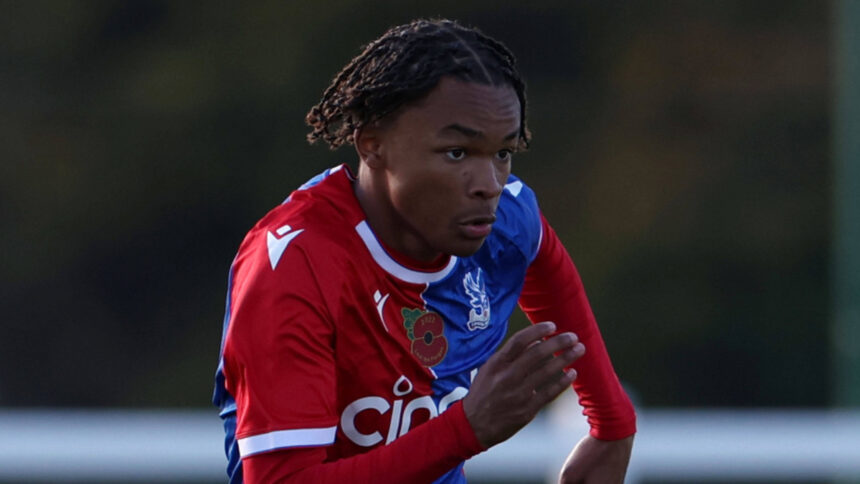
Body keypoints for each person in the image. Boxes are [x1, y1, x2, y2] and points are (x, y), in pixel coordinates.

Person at [213, 18, 636, 484]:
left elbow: (543, 260)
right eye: (457, 152)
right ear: (373, 144)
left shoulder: (503, 220)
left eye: (503, 152)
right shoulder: (295, 266)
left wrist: (612, 425)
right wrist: (466, 429)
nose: (490, 184)